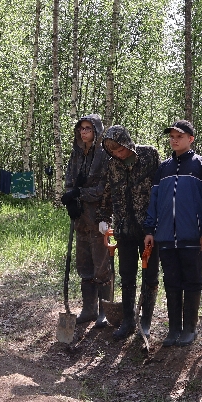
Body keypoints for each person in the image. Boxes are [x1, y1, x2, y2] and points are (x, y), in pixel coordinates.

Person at [144, 120, 202, 347]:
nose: (174, 139)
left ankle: (189, 329)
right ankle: (174, 329)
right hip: (164, 235)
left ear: (191, 139)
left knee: (192, 281)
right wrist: (150, 229)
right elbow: (154, 201)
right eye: (172, 136)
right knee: (171, 281)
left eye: (179, 136)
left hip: (192, 235)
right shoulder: (163, 168)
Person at [97, 125, 162, 341]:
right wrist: (104, 219)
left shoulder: (149, 155)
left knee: (150, 276)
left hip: (148, 230)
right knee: (127, 276)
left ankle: (146, 320)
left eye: (120, 150)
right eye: (113, 152)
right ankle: (128, 320)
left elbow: (159, 189)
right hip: (124, 229)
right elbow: (107, 193)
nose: (117, 154)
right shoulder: (112, 165)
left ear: (127, 143)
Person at [61, 114, 111, 327]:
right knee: (84, 265)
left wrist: (80, 193)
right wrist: (71, 198)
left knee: (102, 265)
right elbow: (69, 181)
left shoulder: (104, 155)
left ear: (96, 131)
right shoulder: (76, 154)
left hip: (99, 217)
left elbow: (104, 189)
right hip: (80, 218)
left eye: (88, 128)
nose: (84, 132)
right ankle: (89, 309)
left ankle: (104, 310)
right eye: (81, 128)